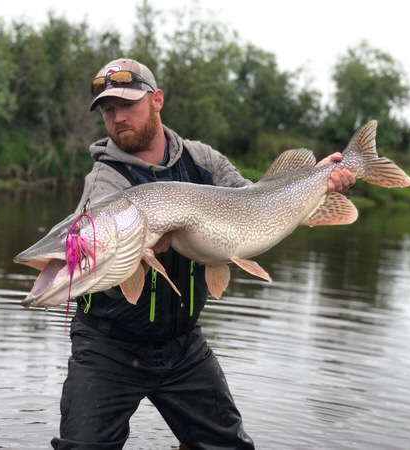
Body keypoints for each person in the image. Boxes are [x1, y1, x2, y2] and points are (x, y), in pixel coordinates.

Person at [51, 58, 355, 450]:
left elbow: (254, 201)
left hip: (181, 344)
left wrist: (320, 186)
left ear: (156, 100)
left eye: (128, 105)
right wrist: (134, 251)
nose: (118, 118)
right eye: (109, 110)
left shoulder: (202, 161)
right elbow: (95, 259)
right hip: (108, 347)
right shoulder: (105, 181)